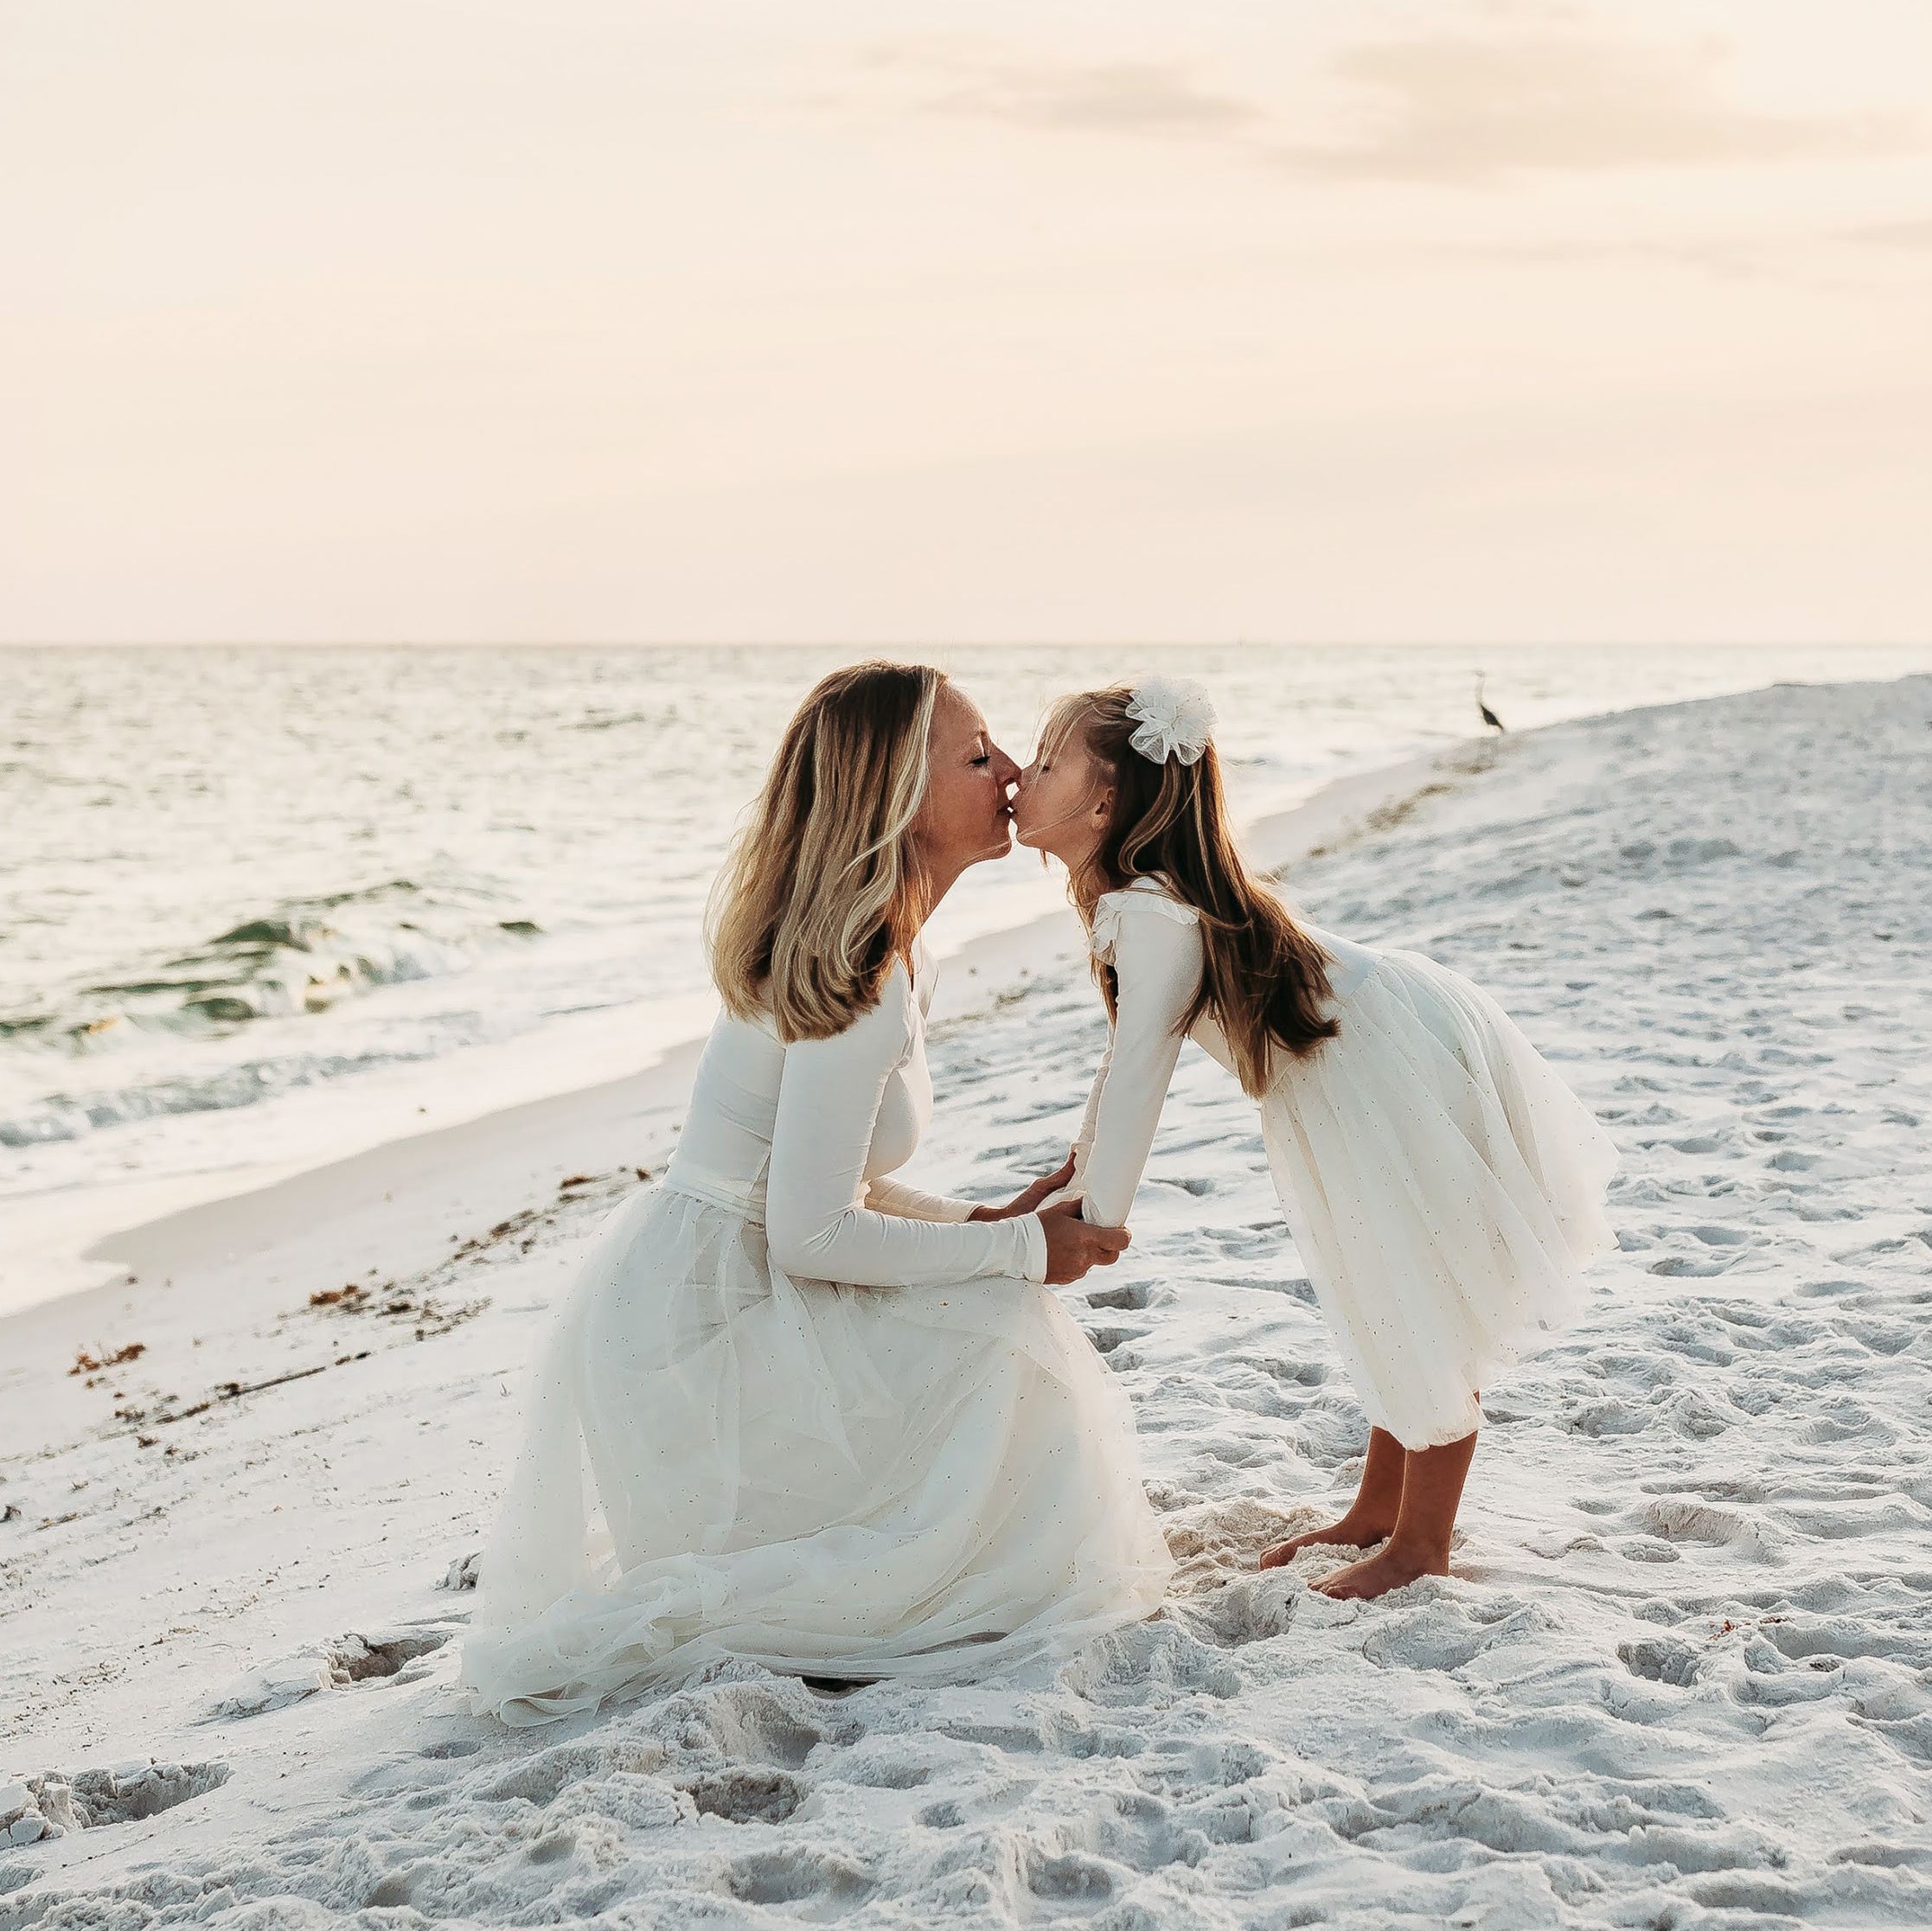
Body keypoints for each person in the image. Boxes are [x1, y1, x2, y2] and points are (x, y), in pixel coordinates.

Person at [460, 662, 1174, 1723]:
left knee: (989, 1328)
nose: (1013, 772)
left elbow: (840, 1181)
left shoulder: (887, 941)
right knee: (1001, 1339)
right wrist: (1024, 1252)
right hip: (703, 1339)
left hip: (716, 1288)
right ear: (895, 798)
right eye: (976, 758)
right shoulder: (861, 970)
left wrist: (978, 1224)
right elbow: (808, 1232)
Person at [1010, 678, 1617, 1601]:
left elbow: (1140, 1070)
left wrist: (1096, 1215)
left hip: (1375, 1064)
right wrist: (1073, 1174)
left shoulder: (1148, 909)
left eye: (1045, 760)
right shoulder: (1141, 898)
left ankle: (1420, 1543)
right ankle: (1380, 1506)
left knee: (1405, 1283)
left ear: (1104, 802)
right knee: (1375, 1278)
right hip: (1364, 1051)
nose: (1022, 774)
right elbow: (1120, 1062)